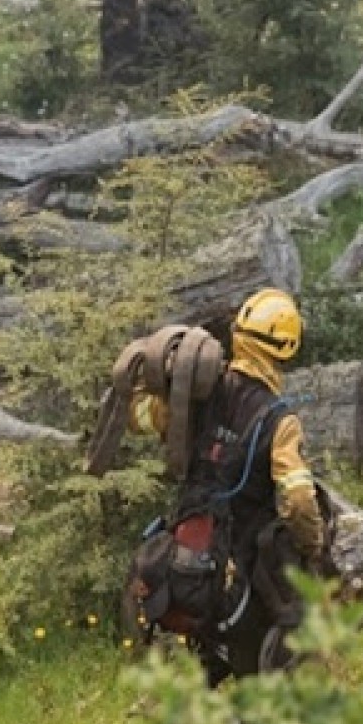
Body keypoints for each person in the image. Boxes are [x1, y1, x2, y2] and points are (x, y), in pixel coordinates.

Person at [126, 288, 325, 681]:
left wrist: (158, 382)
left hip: (187, 546)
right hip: (243, 562)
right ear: (286, 349)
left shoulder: (196, 394)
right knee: (298, 617)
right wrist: (313, 543)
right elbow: (299, 500)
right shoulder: (280, 420)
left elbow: (138, 420)